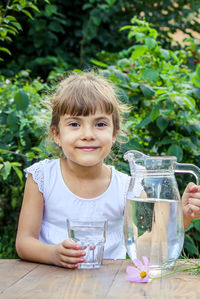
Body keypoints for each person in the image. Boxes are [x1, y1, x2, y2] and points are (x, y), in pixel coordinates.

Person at [16, 72, 200, 269]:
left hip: (109, 286)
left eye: (100, 124)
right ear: (56, 134)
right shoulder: (42, 177)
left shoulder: (127, 187)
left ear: (114, 134)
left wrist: (183, 217)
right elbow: (24, 242)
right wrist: (52, 254)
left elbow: (149, 248)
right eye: (75, 124)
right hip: (49, 282)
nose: (88, 134)